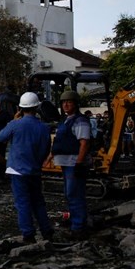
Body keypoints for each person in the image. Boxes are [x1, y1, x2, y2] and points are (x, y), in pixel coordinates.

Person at [0, 92, 54, 243]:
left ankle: (28, 234)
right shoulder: (44, 128)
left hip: (17, 170)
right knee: (38, 202)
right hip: (34, 170)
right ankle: (46, 231)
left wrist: (11, 122)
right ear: (37, 107)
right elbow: (46, 149)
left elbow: (0, 137)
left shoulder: (16, 125)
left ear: (20, 108)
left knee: (23, 203)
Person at [46, 90, 91, 240]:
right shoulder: (65, 120)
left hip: (74, 163)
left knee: (74, 193)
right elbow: (60, 142)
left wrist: (79, 163)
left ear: (75, 104)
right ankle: (74, 221)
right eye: (63, 102)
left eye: (69, 102)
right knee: (69, 193)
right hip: (66, 163)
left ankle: (78, 227)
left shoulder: (80, 121)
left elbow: (84, 142)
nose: (65, 104)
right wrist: (50, 156)